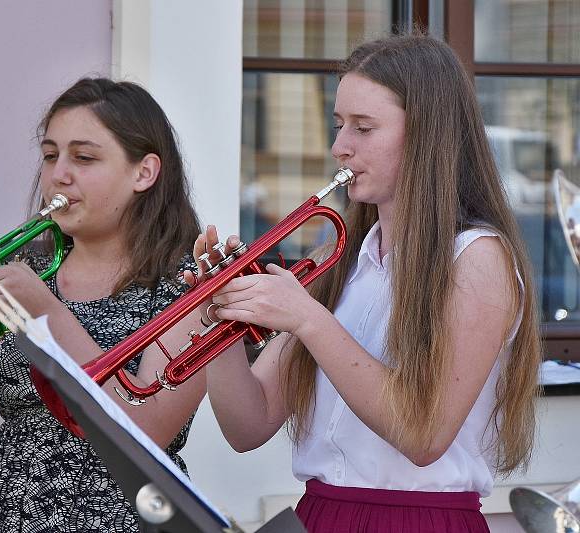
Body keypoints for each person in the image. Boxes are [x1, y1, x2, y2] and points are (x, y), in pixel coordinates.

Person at [191, 33, 542, 532]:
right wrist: (221, 317)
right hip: (319, 515)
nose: (340, 147)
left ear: (426, 135)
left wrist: (310, 319)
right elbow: (248, 425)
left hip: (419, 522)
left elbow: (423, 435)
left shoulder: (478, 259)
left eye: (363, 127)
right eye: (339, 125)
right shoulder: (334, 260)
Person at [0, 77, 205, 532]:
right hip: (2, 512)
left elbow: (147, 430)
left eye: (84, 157)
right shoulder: (30, 271)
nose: (58, 174)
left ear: (144, 172)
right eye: (51, 155)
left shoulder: (190, 287)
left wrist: (45, 314)